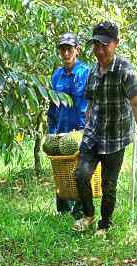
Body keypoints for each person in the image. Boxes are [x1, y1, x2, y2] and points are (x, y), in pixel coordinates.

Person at [72, 21, 137, 237]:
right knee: (80, 175)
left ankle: (105, 224)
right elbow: (91, 103)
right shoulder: (92, 72)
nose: (99, 51)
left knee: (109, 184)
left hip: (116, 137)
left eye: (104, 45)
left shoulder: (125, 71)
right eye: (96, 45)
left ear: (116, 44)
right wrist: (85, 127)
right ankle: (88, 215)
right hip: (93, 134)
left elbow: (136, 103)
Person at [47, 32, 90, 217]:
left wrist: (87, 129)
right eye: (63, 49)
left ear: (77, 50)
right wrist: (51, 129)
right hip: (60, 129)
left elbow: (90, 102)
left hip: (80, 129)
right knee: (61, 169)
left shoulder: (86, 72)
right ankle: (63, 210)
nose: (66, 53)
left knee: (79, 171)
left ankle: (79, 210)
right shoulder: (57, 75)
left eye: (69, 49)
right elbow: (52, 104)